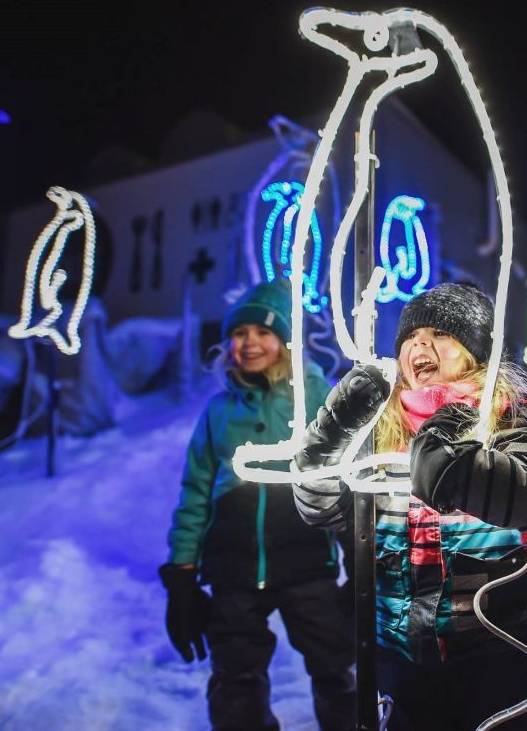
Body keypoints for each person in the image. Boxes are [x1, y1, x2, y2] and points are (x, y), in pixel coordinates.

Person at [292, 283, 527, 731]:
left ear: (475, 353)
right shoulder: (379, 429)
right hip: (402, 652)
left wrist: (453, 463)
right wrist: (334, 432)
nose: (420, 343)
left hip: (496, 648)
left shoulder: (505, 415)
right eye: (410, 337)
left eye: (441, 334)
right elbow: (320, 508)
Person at [159, 280, 355, 731]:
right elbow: (195, 492)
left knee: (336, 666)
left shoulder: (317, 401)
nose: (250, 344)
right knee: (235, 679)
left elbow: (344, 479)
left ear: (285, 341)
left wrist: (358, 555)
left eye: (263, 333)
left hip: (306, 560)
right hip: (234, 569)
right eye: (240, 334)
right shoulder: (218, 412)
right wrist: (182, 576)